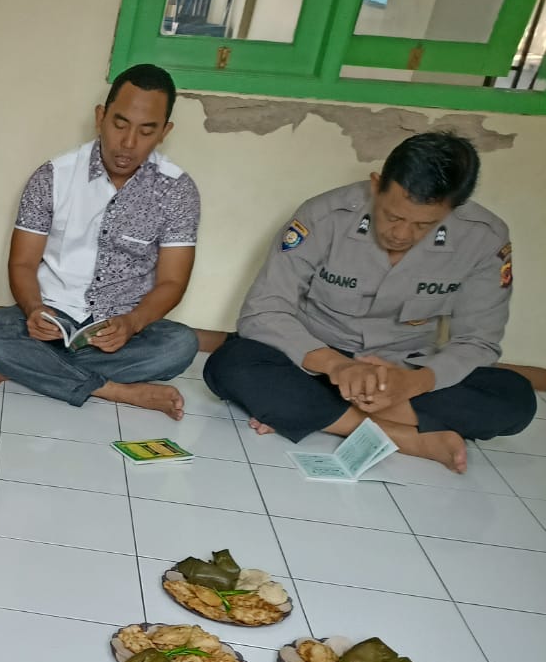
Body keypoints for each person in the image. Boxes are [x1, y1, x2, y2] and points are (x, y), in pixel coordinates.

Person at [204, 131, 536, 472]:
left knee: (517, 399)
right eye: (393, 216)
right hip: (316, 364)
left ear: (454, 208)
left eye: (423, 225)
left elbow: (478, 341)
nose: (402, 234)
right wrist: (338, 366)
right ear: (377, 185)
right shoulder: (325, 215)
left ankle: (314, 413)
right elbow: (264, 309)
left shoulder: (484, 238)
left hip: (404, 373)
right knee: (231, 364)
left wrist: (412, 383)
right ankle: (404, 436)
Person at [0, 63, 200, 420]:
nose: (128, 143)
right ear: (100, 117)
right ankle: (116, 391)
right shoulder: (53, 176)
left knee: (181, 346)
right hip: (52, 321)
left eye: (146, 131)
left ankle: (33, 369)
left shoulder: (177, 191)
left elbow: (173, 281)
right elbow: (23, 263)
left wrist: (132, 323)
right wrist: (34, 310)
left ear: (164, 132)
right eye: (120, 124)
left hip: (122, 329)